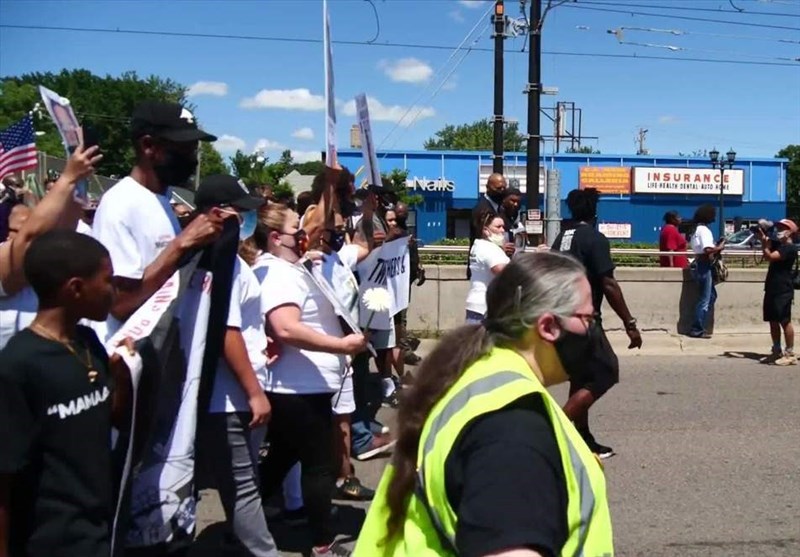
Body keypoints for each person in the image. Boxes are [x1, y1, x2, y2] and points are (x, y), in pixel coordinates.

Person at [353, 252, 614, 557]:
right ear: (547, 327)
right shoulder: (514, 427)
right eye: (588, 319)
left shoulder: (478, 378)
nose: (593, 330)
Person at [0, 231, 133, 557]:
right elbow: (3, 479)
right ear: (75, 288)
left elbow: (113, 418)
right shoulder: (19, 365)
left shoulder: (87, 342)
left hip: (98, 531)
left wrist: (123, 377)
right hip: (47, 541)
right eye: (107, 280)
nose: (113, 290)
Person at [253, 204, 367, 557]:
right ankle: (322, 545)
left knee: (280, 461)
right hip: (300, 387)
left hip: (299, 384)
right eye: (294, 229)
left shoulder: (288, 268)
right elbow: (286, 327)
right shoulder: (278, 273)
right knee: (320, 466)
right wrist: (341, 344)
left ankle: (245, 524)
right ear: (275, 237)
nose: (303, 233)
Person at [192, 175, 278, 556]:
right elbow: (227, 332)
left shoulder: (227, 259)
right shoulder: (220, 263)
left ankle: (237, 540)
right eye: (240, 212)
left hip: (238, 392)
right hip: (229, 398)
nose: (248, 219)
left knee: (244, 482)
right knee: (243, 486)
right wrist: (254, 391)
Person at [91, 100, 222, 340]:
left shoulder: (161, 199)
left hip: (156, 354)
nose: (192, 159)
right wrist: (182, 243)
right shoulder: (120, 204)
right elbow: (119, 304)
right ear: (148, 146)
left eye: (194, 149)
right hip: (123, 356)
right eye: (183, 149)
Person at [551, 188, 642, 459]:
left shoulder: (562, 237)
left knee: (581, 378)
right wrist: (630, 322)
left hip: (560, 314)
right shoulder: (594, 238)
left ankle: (582, 437)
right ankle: (554, 433)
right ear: (594, 211)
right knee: (606, 372)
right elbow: (609, 283)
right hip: (584, 319)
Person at [0, 145, 100, 298]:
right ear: (5, 232)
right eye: (20, 229)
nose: (24, 231)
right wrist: (68, 178)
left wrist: (78, 182)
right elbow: (32, 241)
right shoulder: (12, 263)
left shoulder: (44, 267)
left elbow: (63, 234)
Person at [757, 219, 798, 365]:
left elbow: (770, 257)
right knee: (772, 320)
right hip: (772, 287)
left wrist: (765, 244)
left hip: (783, 288)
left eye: (783, 228)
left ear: (791, 232)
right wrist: (764, 237)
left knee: (784, 320)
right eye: (779, 227)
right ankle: (776, 350)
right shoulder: (778, 245)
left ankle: (790, 353)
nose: (779, 230)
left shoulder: (790, 248)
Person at [465, 211, 510, 324]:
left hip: (477, 304)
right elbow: (504, 272)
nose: (502, 230)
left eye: (503, 227)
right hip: (486, 309)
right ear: (485, 230)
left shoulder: (478, 246)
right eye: (498, 227)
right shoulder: (489, 248)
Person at [689, 204, 725, 339]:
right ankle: (697, 328)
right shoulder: (704, 230)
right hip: (704, 265)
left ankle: (698, 324)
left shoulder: (695, 230)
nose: (714, 217)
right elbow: (707, 250)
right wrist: (720, 247)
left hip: (698, 264)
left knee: (711, 296)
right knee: (704, 300)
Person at [468, 173, 514, 278]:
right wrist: (500, 247)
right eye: (498, 188)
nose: (502, 191)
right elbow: (480, 236)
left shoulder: (500, 208)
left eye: (504, 188)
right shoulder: (481, 209)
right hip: (486, 267)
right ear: (488, 188)